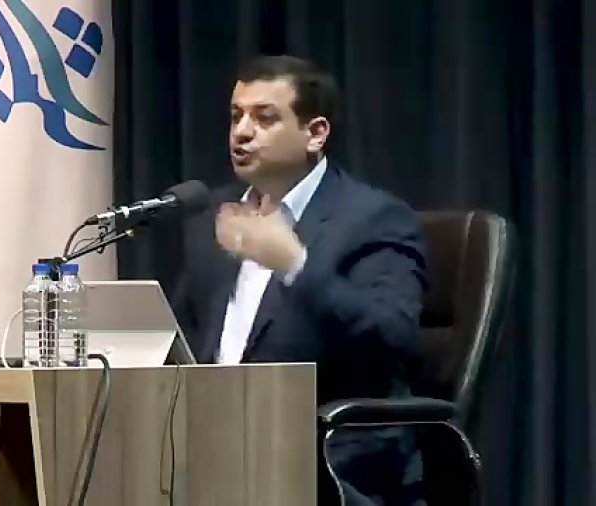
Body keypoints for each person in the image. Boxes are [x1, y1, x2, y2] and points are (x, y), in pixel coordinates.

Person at [171, 55, 428, 505]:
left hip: (328, 462)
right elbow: (182, 338)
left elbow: (393, 337)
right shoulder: (218, 215)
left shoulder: (374, 218)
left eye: (264, 118)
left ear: (316, 134)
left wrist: (295, 264)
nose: (241, 132)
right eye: (236, 115)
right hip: (215, 451)